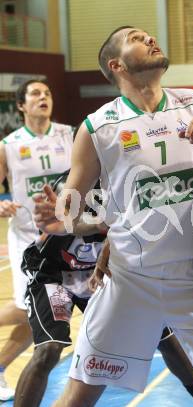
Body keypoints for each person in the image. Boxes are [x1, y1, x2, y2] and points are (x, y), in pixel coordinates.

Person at [34, 26, 193, 406]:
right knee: (78, 396)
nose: (151, 39)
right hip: (129, 282)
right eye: (137, 38)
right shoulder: (97, 127)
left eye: (150, 35)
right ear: (116, 64)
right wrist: (62, 222)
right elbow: (74, 212)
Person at [14, 172, 193, 407]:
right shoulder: (73, 194)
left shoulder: (121, 196)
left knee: (165, 337)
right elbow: (84, 225)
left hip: (96, 275)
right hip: (54, 276)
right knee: (49, 348)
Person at [0, 80, 74, 400]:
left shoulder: (70, 135)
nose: (43, 97)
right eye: (35, 94)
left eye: (47, 92)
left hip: (62, 236)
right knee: (35, 314)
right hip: (26, 238)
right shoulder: (9, 144)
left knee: (39, 320)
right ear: (21, 105)